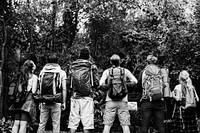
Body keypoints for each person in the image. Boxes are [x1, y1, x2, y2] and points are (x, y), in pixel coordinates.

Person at [99, 54, 138, 133]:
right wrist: (126, 84)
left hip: (110, 100)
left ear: (110, 62)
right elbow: (135, 81)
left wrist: (107, 86)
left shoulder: (107, 71)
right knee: (125, 125)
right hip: (123, 100)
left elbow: (101, 83)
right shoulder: (125, 71)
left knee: (107, 125)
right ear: (120, 62)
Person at [68, 48, 99, 133]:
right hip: (87, 96)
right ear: (88, 56)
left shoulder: (72, 66)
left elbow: (68, 81)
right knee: (87, 122)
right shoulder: (91, 66)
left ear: (79, 55)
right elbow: (96, 82)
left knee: (73, 121)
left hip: (75, 95)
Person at [37, 54, 67, 133]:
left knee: (42, 123)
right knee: (56, 124)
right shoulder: (61, 72)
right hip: (56, 100)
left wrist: (40, 101)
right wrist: (63, 102)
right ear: (57, 61)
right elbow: (64, 88)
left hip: (44, 101)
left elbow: (39, 87)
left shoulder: (42, 72)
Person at [137, 55, 166, 133]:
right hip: (159, 100)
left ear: (147, 62)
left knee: (145, 124)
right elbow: (164, 85)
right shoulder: (161, 71)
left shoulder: (143, 72)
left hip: (146, 100)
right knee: (160, 124)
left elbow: (139, 86)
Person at [9, 60, 38, 133]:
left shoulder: (20, 76)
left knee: (16, 123)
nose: (35, 65)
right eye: (34, 64)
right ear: (32, 67)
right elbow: (33, 91)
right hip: (27, 103)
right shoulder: (34, 77)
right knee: (23, 124)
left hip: (17, 102)